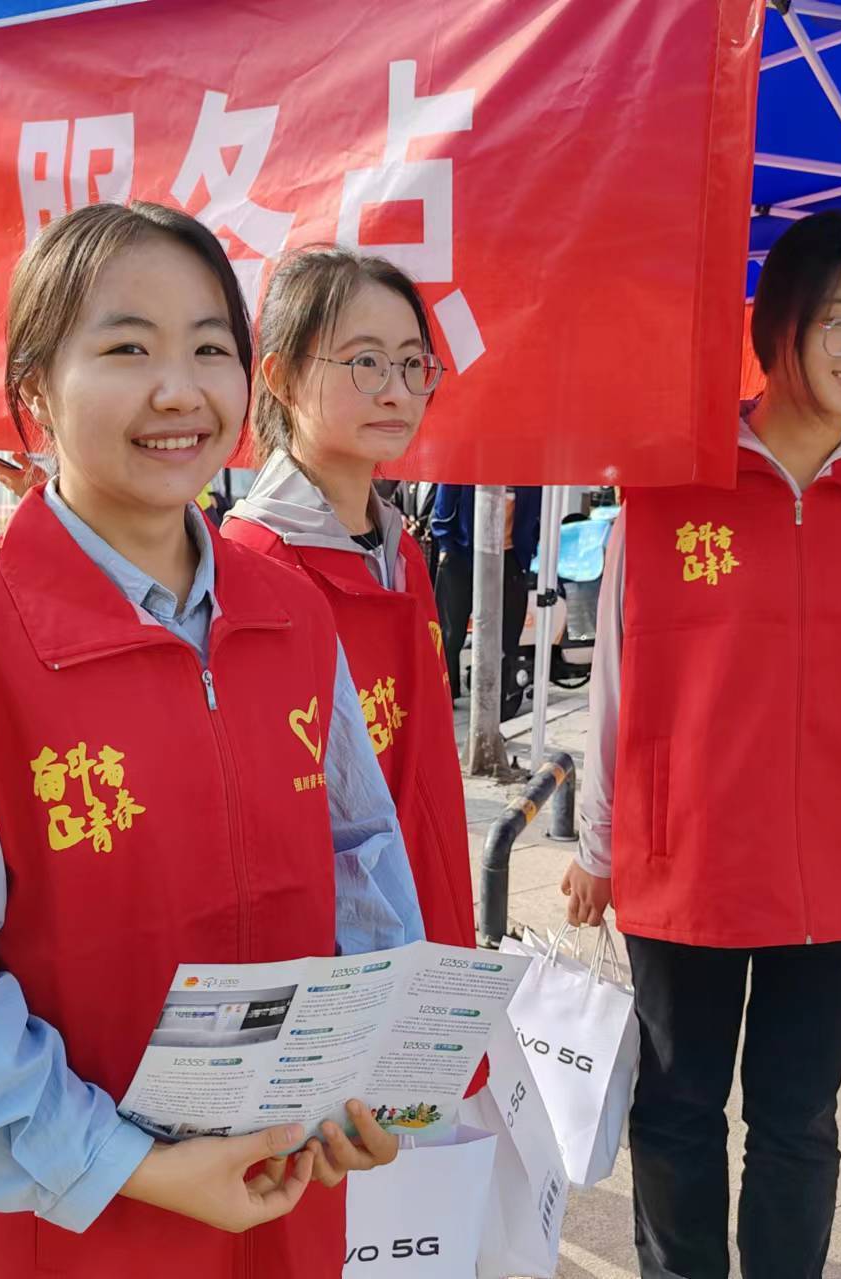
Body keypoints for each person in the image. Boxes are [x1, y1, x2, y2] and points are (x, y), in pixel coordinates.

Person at [0, 201, 425, 1279]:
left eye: (208, 347)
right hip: (63, 1226)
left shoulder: (292, 614)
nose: (178, 389)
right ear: (33, 398)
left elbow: (361, 861)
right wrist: (131, 1165)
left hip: (280, 1203)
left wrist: (364, 1071)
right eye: (125, 348)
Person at [561, 209, 841, 1279]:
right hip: (683, 852)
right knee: (678, 1109)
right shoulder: (668, 483)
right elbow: (614, 670)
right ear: (776, 321)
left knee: (797, 1122)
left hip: (839, 870)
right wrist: (599, 844)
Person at [224, 246, 477, 957]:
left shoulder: (402, 553)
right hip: (334, 962)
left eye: (411, 364)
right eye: (365, 362)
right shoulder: (252, 569)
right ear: (279, 376)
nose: (397, 391)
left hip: (433, 908)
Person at [431, 482, 541, 715]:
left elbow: (536, 515)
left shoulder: (529, 468)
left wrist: (527, 550)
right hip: (462, 553)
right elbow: (444, 506)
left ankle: (499, 702)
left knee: (508, 635)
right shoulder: (468, 456)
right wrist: (446, 546)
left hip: (510, 556)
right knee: (449, 633)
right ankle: (442, 695)